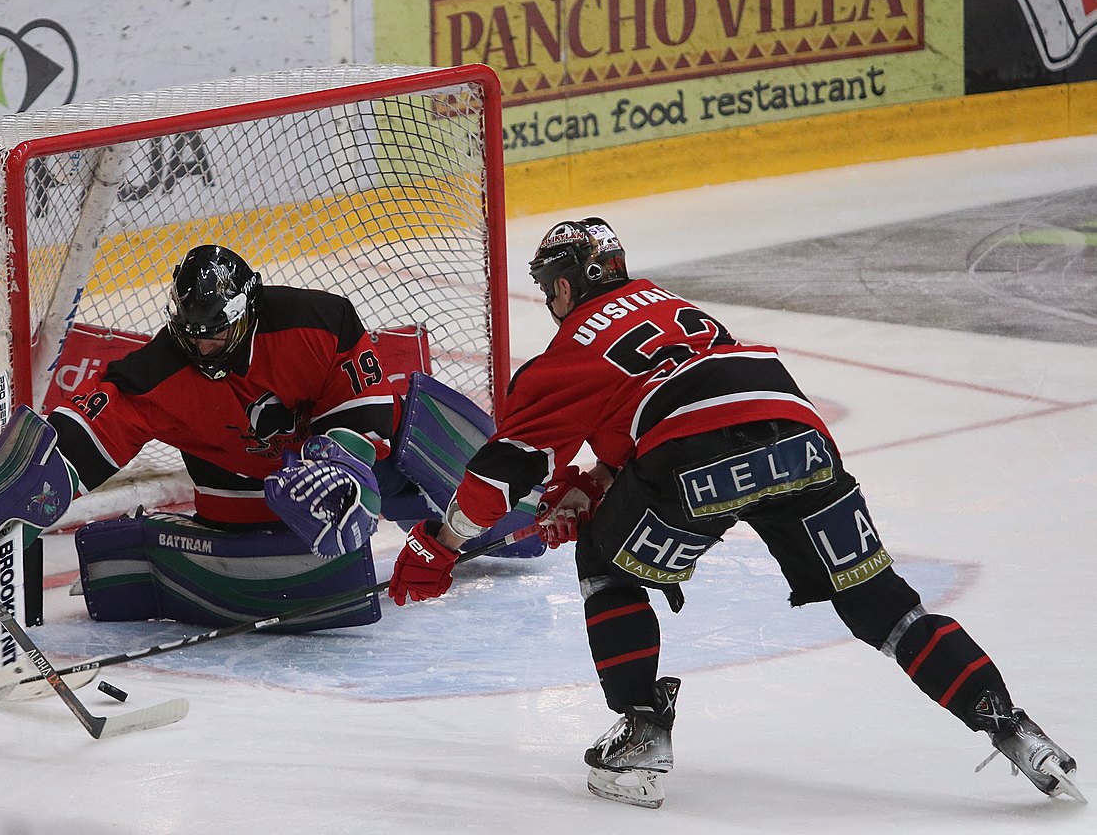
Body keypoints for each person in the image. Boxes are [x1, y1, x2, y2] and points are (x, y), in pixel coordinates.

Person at [387, 217, 1082, 808]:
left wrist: (441, 545)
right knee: (879, 601)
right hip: (801, 436)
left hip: (695, 458)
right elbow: (682, 403)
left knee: (604, 557)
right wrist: (600, 482)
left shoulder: (569, 351)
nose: (549, 301)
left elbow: (507, 471)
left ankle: (641, 738)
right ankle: (1015, 731)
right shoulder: (675, 307)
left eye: (549, 288)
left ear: (565, 285)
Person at [48, 244, 534, 632]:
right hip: (238, 483)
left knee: (410, 438)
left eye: (214, 333)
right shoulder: (155, 371)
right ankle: (141, 553)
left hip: (330, 454)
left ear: (245, 314)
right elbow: (86, 435)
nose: (201, 347)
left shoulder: (319, 322)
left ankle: (514, 513)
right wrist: (35, 472)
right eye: (190, 333)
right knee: (306, 573)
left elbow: (365, 410)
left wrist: (339, 467)